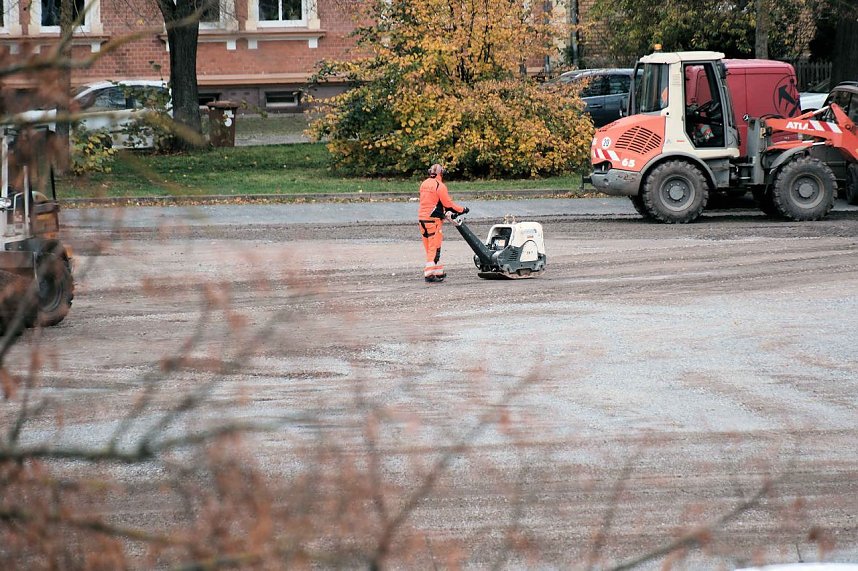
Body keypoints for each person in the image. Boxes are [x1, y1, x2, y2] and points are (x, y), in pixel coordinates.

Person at [418, 163, 468, 283]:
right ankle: (429, 273)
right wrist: (463, 210)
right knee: (434, 246)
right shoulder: (440, 186)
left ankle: (437, 271)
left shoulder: (424, 184)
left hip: (422, 219)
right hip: (433, 220)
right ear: (441, 173)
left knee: (429, 245)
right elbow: (448, 204)